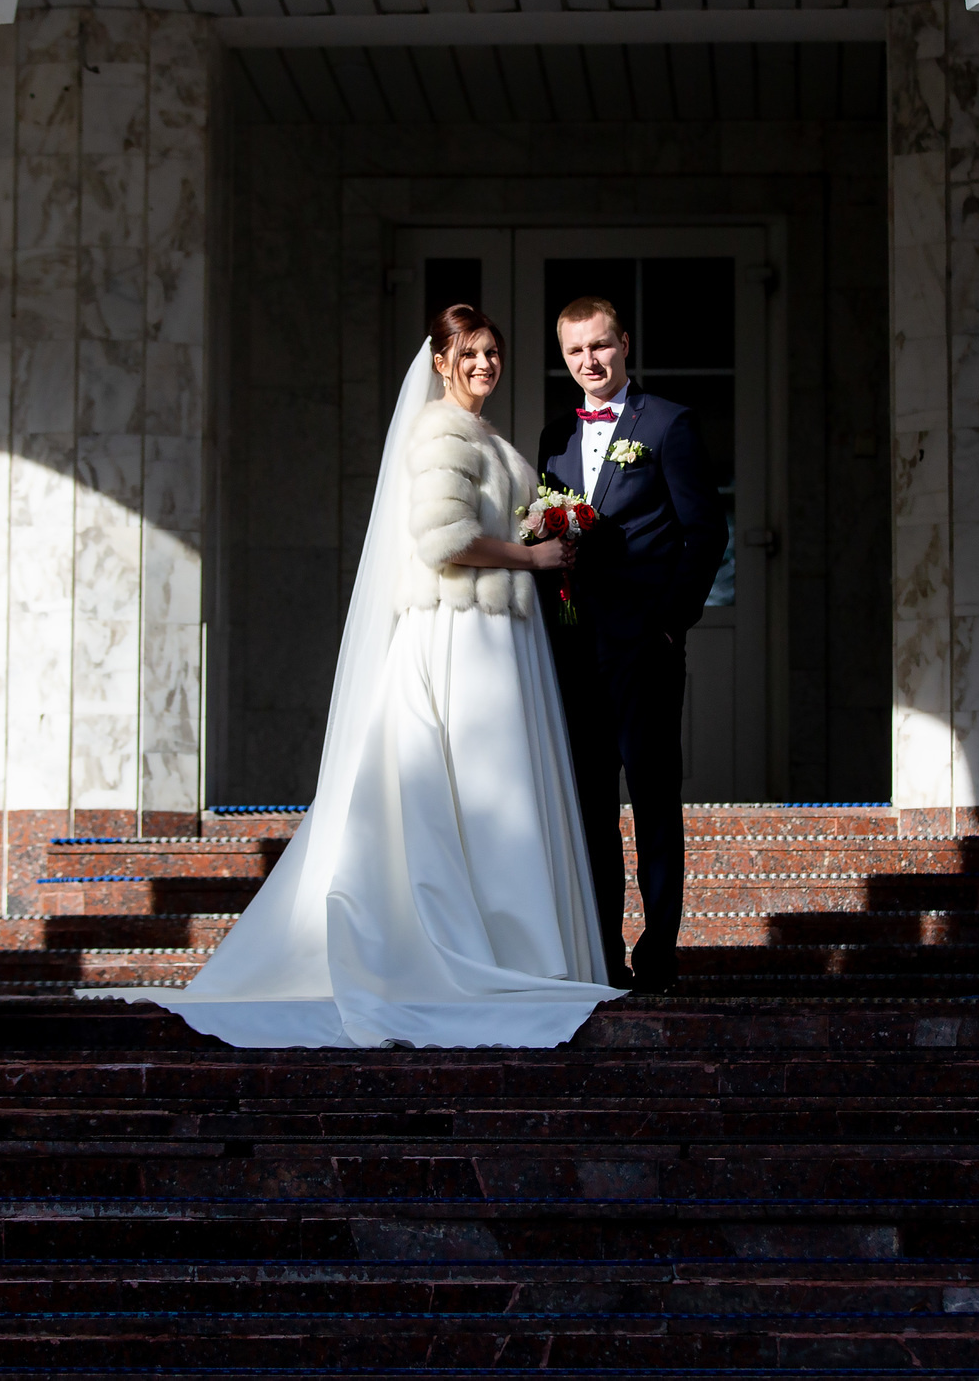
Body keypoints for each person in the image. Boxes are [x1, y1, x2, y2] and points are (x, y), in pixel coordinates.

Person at [92, 306, 622, 1048]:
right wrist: (530, 556)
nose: (484, 365)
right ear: (440, 361)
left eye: (493, 352)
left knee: (499, 787)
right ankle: (473, 946)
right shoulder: (441, 434)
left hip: (504, 634)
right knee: (474, 782)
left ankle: (515, 945)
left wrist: (545, 531)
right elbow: (444, 540)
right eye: (469, 353)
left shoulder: (491, 440)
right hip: (461, 631)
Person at [536, 296, 727, 992]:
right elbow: (548, 528)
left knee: (653, 799)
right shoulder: (555, 436)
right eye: (575, 350)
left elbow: (706, 532)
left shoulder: (669, 424)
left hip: (645, 645)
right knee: (590, 805)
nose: (590, 360)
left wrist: (671, 621)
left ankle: (659, 954)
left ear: (624, 344)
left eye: (600, 345)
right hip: (575, 650)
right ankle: (602, 953)